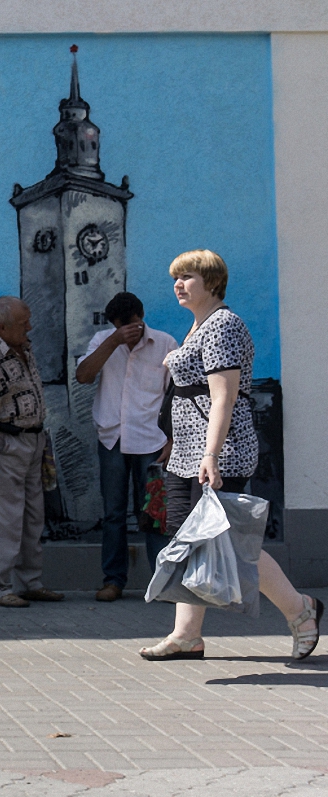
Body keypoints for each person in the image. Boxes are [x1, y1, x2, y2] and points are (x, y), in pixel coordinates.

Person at [140, 250, 322, 661]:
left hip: (216, 452)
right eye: (176, 277)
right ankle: (187, 635)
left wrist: (211, 454)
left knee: (232, 542)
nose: (178, 284)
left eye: (187, 276)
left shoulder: (224, 326)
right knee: (192, 541)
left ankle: (300, 610)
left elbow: (223, 396)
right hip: (186, 453)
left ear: (212, 282)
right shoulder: (198, 327)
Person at [0, 296, 65, 608]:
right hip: (4, 443)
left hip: (33, 441)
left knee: (33, 516)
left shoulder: (24, 348)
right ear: (3, 326)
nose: (30, 327)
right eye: (24, 324)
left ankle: (29, 582)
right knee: (4, 518)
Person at [76, 292, 177, 601]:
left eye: (132, 325)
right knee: (113, 514)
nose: (129, 332)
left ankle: (162, 584)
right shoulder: (103, 341)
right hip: (113, 438)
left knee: (154, 514)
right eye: (122, 327)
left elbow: (177, 395)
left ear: (141, 316)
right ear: (114, 325)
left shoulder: (165, 344)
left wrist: (173, 439)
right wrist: (113, 342)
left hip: (152, 441)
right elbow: (83, 375)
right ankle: (113, 581)